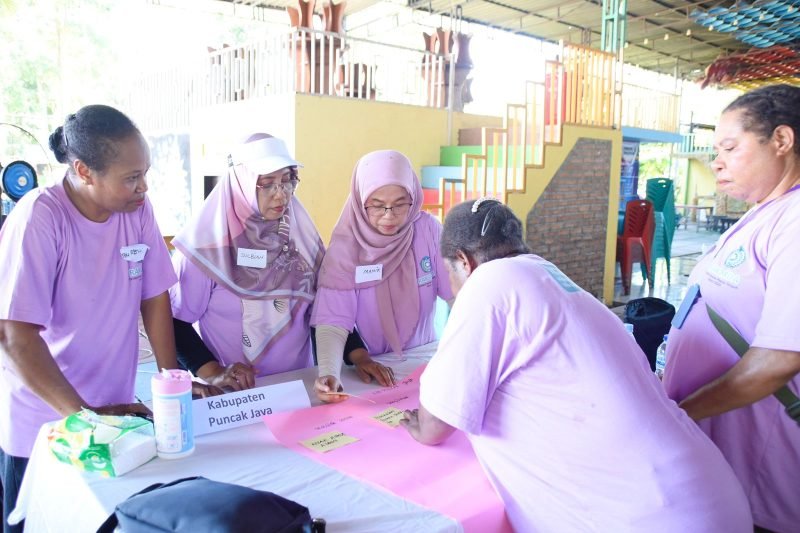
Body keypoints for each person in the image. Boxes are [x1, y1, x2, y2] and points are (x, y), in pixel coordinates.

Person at [401, 198, 753, 532]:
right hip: (708, 495)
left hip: (653, 517)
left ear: (464, 261)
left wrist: (418, 425)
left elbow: (435, 424)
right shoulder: (557, 282)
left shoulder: (488, 283)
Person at [0, 105, 178, 533]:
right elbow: (15, 335)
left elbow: (154, 297)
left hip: (117, 419)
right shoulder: (41, 218)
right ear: (83, 170)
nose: (143, 187)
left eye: (145, 172)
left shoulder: (138, 211)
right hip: (49, 425)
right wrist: (86, 420)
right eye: (131, 177)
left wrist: (174, 382)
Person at [663, 84, 800, 533]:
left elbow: (780, 358)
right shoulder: (765, 210)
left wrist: (679, 415)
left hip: (764, 470)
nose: (715, 161)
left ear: (781, 141)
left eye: (729, 147)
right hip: (725, 456)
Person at [170, 133, 366, 390]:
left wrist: (359, 355)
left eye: (287, 181)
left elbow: (328, 307)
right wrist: (213, 371)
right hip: (235, 393)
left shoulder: (303, 242)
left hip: (298, 387)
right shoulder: (205, 249)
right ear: (241, 185)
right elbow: (175, 322)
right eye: (267, 184)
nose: (280, 195)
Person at [312, 150, 452, 402]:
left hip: (425, 358)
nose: (389, 216)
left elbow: (458, 294)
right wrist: (329, 373)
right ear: (359, 200)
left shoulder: (428, 230)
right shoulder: (345, 248)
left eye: (400, 204)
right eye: (377, 206)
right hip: (372, 370)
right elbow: (333, 320)